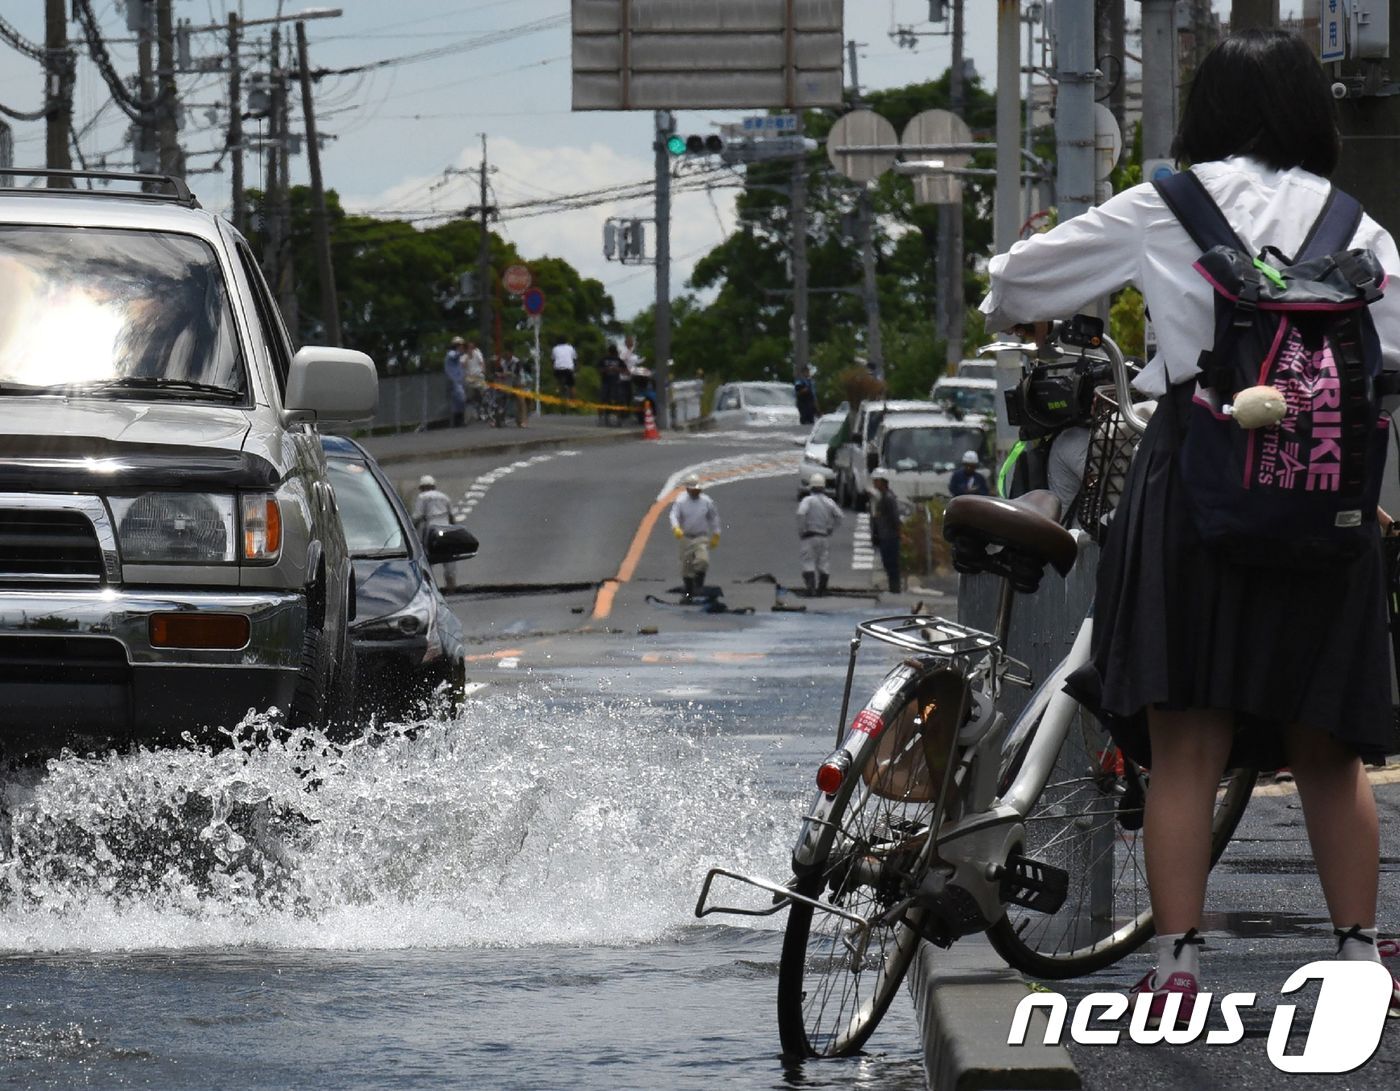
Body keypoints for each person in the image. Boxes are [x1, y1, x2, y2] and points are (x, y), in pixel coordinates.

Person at [979, 29, 1400, 1022]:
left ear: (1204, 112)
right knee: (1328, 752)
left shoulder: (1163, 205)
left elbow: (1016, 288)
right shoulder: (1363, 229)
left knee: (1185, 747)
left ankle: (1173, 965)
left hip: (1194, 492)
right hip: (1323, 495)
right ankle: (1356, 954)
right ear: (1310, 115)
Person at [668, 473, 721, 599]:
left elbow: (713, 517)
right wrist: (676, 528)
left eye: (698, 490)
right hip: (686, 537)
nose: (696, 492)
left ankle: (699, 587)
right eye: (693, 490)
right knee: (687, 567)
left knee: (702, 561)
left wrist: (716, 534)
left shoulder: (706, 501)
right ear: (687, 489)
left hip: (700, 536)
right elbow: (673, 515)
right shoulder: (681, 501)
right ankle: (689, 592)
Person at [796, 472, 842, 596]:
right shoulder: (829, 502)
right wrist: (831, 528)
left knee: (808, 562)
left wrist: (802, 530)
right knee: (823, 563)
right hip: (823, 536)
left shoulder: (808, 500)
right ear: (824, 487)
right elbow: (839, 515)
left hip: (809, 535)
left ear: (811, 487)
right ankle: (822, 589)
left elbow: (801, 513)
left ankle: (810, 589)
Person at [411, 474, 457, 591]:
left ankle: (430, 586)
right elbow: (452, 516)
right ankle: (451, 584)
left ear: (421, 487)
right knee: (449, 556)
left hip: (431, 528)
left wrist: (411, 530)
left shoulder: (422, 497)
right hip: (446, 527)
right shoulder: (444, 496)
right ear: (434, 486)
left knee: (427, 556)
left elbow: (418, 516)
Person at [869, 467, 902, 594]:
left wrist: (898, 532)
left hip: (890, 536)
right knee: (888, 563)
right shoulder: (882, 497)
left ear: (882, 481)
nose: (874, 483)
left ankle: (895, 588)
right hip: (885, 535)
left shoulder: (888, 498)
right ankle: (893, 587)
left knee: (891, 563)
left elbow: (894, 517)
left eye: (876, 480)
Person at [599, 342, 625, 425]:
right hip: (611, 382)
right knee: (612, 400)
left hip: (609, 382)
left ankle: (604, 418)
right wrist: (610, 369)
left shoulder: (605, 359)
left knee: (604, 400)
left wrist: (615, 369)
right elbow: (625, 370)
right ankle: (612, 419)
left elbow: (600, 369)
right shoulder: (618, 360)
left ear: (608, 351)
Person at [444, 337, 467, 427]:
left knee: (458, 400)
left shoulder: (456, 355)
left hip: (457, 380)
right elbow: (456, 355)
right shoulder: (451, 353)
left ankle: (459, 421)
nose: (461, 347)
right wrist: (463, 352)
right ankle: (457, 421)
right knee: (460, 399)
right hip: (453, 380)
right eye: (460, 345)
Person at [463, 339, 487, 420]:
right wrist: (467, 356)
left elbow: (482, 362)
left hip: (478, 376)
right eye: (470, 348)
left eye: (472, 347)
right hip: (470, 378)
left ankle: (484, 409)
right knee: (471, 396)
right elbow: (463, 365)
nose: (471, 349)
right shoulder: (463, 356)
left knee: (484, 392)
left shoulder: (477, 352)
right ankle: (474, 411)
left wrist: (483, 371)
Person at [552, 337, 579, 405]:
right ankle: (573, 402)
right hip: (568, 369)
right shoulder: (570, 347)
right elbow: (575, 359)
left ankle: (557, 390)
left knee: (557, 380)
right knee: (572, 385)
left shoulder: (555, 348)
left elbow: (553, 359)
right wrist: (575, 369)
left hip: (558, 368)